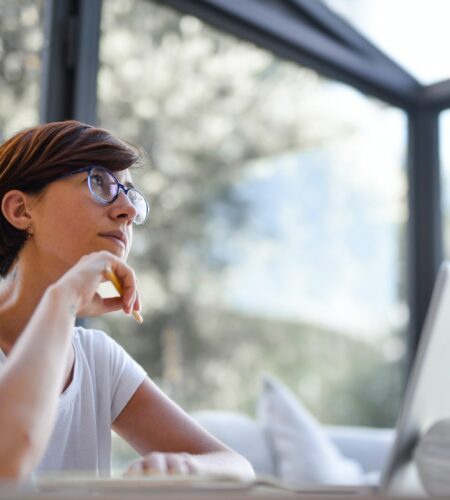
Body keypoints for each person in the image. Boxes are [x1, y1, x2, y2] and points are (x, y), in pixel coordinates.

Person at [0, 120, 255, 480]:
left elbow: (237, 467)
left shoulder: (98, 359)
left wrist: (183, 466)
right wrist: (64, 299)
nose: (129, 211)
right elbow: (9, 458)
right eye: (99, 182)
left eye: (130, 194)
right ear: (21, 211)